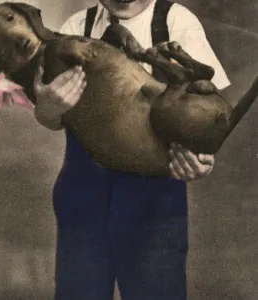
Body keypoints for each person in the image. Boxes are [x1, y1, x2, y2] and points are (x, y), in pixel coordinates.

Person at [33, 0, 231, 299]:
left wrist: (203, 160)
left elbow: (211, 115)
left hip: (154, 201)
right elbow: (52, 119)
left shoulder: (177, 21)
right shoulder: (76, 28)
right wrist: (46, 107)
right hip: (84, 193)